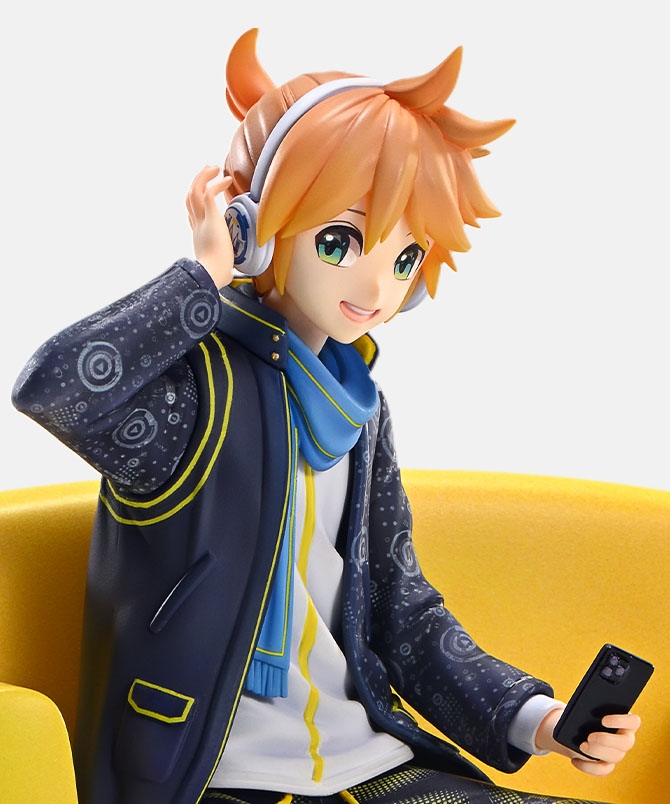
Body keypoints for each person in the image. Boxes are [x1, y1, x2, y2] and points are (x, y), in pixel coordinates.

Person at [12, 28, 639, 804]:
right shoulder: (195, 393)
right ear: (251, 228)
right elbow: (57, 388)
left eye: (404, 257)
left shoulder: (358, 406)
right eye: (342, 241)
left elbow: (400, 611)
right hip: (209, 773)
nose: (376, 286)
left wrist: (539, 720)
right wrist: (201, 276)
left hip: (365, 760)